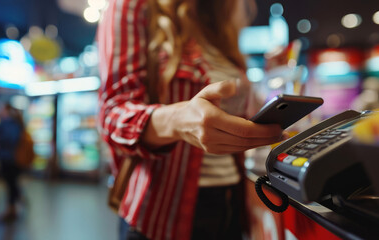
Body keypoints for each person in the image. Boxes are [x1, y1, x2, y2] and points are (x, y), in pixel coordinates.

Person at [97, 0, 285, 239]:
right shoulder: (132, 6)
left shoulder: (218, 20)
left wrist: (274, 82)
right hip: (162, 212)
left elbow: (239, 109)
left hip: (229, 202)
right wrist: (178, 120)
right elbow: (111, 114)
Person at [0, 103, 24, 221]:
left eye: (2, 109)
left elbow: (11, 140)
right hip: (6, 158)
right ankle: (17, 200)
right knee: (11, 183)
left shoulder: (11, 124)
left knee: (11, 183)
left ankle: (12, 209)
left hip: (11, 159)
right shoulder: (5, 123)